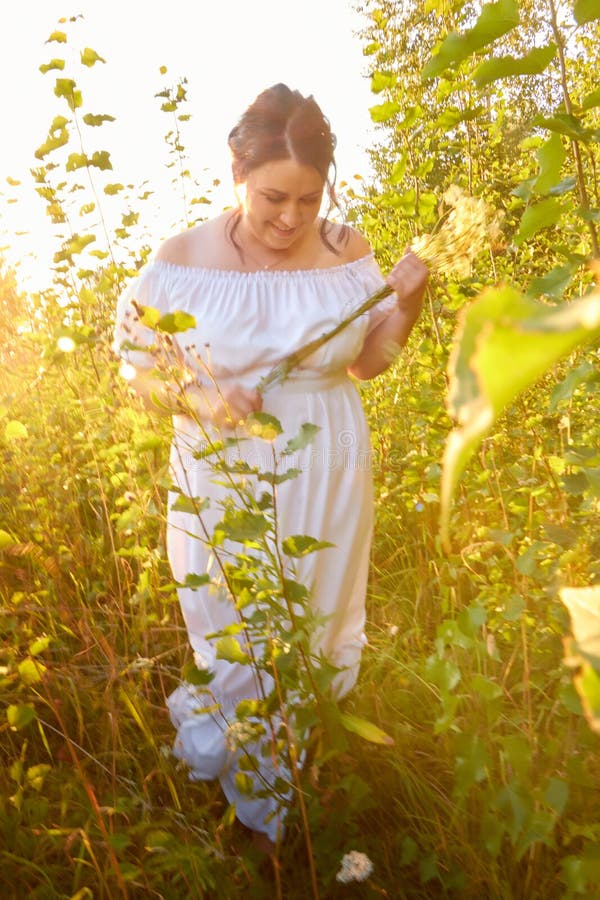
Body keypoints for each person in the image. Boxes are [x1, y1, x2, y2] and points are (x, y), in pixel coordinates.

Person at [113, 83, 429, 850]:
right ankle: (243, 808)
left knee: (313, 631)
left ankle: (288, 805)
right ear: (235, 172)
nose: (290, 219)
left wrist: (408, 308)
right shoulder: (182, 261)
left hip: (328, 462)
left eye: (308, 200)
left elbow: (367, 364)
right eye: (272, 198)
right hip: (223, 469)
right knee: (235, 633)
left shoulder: (346, 249)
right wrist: (203, 396)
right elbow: (138, 372)